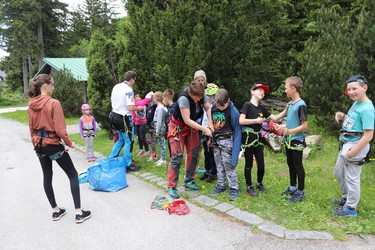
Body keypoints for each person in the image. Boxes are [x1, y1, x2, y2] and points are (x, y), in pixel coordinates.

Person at [27, 74, 91, 223]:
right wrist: (70, 143)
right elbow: (60, 130)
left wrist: (35, 144)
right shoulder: (54, 103)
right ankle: (78, 213)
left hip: (39, 146)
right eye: (53, 84)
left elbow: (31, 128)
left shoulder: (31, 104)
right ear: (45, 86)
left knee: (47, 177)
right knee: (73, 175)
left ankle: (56, 211)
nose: (54, 87)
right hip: (53, 145)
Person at [331, 75, 374, 217]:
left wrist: (352, 153)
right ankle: (346, 198)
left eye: (354, 88)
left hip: (355, 146)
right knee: (339, 172)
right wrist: (342, 115)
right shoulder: (357, 103)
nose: (351, 92)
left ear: (364, 88)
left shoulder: (367, 109)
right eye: (349, 89)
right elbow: (355, 122)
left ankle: (350, 209)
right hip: (346, 144)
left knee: (352, 178)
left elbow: (368, 135)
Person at [239, 84, 288, 197]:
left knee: (261, 164)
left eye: (263, 92)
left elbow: (275, 118)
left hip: (259, 139)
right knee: (249, 164)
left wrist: (286, 110)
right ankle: (249, 186)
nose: (262, 92)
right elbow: (241, 121)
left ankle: (259, 183)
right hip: (248, 138)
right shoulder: (247, 105)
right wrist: (255, 121)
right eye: (260, 90)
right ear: (252, 92)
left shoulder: (262, 108)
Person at [167, 81, 213, 199]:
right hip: (178, 128)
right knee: (177, 156)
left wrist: (211, 125)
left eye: (200, 97)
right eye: (197, 98)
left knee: (194, 153)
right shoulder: (183, 99)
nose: (199, 100)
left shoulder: (201, 94)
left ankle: (189, 181)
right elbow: (187, 120)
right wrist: (204, 129)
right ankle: (172, 186)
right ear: (191, 94)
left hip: (192, 128)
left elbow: (208, 108)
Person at [274, 76, 308, 203]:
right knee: (290, 164)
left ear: (293, 89)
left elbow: (304, 125)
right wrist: (282, 127)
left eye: (286, 88)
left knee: (298, 165)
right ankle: (292, 188)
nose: (285, 90)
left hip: (296, 140)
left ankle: (300, 192)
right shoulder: (291, 105)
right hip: (289, 139)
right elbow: (292, 123)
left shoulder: (301, 105)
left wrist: (289, 131)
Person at [108, 71, 151, 172]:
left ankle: (111, 159)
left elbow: (112, 101)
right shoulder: (129, 90)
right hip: (124, 118)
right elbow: (131, 107)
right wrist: (139, 108)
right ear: (132, 79)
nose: (134, 82)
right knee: (128, 141)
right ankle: (128, 164)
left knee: (121, 140)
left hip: (114, 115)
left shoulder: (116, 86)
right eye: (134, 80)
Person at [208, 89, 242, 201]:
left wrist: (237, 149)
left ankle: (234, 188)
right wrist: (210, 138)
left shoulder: (233, 111)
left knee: (229, 166)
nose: (221, 107)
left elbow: (238, 130)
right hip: (216, 141)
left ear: (228, 100)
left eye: (223, 105)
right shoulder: (213, 108)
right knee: (219, 164)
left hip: (227, 141)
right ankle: (221, 185)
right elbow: (211, 124)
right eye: (218, 105)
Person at [200, 83, 219, 183]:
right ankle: (207, 171)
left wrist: (211, 137)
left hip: (211, 132)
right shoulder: (205, 105)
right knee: (206, 153)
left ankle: (213, 173)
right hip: (204, 131)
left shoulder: (215, 106)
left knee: (212, 153)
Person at [153, 91, 168, 166]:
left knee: (162, 143)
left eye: (154, 98)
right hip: (159, 126)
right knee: (160, 143)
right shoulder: (160, 107)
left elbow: (159, 120)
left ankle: (163, 159)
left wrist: (157, 132)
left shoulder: (160, 108)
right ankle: (162, 158)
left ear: (156, 98)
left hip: (160, 127)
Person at [163, 88, 175, 159]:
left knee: (172, 144)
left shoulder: (173, 109)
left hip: (173, 130)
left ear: (167, 97)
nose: (163, 99)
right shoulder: (169, 108)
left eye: (164, 97)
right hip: (169, 130)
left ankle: (173, 157)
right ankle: (172, 157)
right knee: (169, 144)